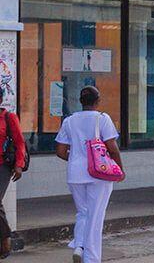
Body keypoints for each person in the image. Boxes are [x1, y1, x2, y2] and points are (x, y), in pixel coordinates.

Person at [55, 86, 121, 263]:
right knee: (95, 216)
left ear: (80, 101)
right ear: (98, 101)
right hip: (99, 174)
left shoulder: (69, 121)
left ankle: (79, 246)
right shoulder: (102, 119)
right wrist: (119, 169)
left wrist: (77, 158)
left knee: (83, 212)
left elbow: (61, 151)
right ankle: (91, 259)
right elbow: (112, 148)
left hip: (75, 174)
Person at [0, 85, 25, 259]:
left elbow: (20, 142)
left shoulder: (9, 118)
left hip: (3, 165)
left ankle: (6, 237)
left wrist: (19, 165)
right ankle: (5, 236)